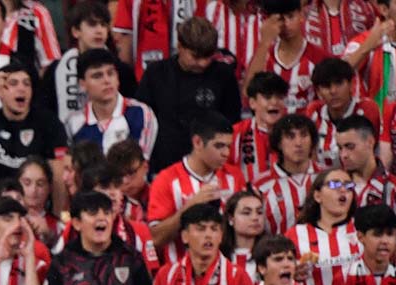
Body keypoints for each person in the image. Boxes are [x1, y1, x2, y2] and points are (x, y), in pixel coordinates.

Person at [134, 17, 242, 173]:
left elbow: (232, 121)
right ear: (180, 47)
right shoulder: (156, 73)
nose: (203, 63)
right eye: (196, 57)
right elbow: (144, 119)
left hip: (209, 164)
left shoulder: (223, 75)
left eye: (207, 57)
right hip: (164, 162)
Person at [147, 112, 244, 255]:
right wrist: (189, 208)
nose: (226, 153)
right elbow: (155, 239)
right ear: (197, 142)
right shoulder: (166, 180)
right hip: (180, 272)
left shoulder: (234, 177)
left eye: (228, 146)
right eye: (219, 146)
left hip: (225, 270)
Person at [37, 0, 137, 125]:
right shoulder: (56, 70)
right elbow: (46, 112)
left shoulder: (121, 70)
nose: (99, 30)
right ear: (75, 31)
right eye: (92, 24)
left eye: (103, 25)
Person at [288, 168, 361, 285]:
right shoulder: (295, 234)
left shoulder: (363, 229)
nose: (342, 190)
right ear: (317, 196)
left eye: (348, 186)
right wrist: (291, 272)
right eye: (334, 185)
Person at [64, 49, 157, 159]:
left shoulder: (141, 113)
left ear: (117, 78)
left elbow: (139, 166)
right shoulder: (74, 122)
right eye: (97, 76)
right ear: (82, 84)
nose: (106, 80)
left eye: (110, 73)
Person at [243, 0, 331, 113]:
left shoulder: (320, 58)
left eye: (290, 17)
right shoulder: (264, 56)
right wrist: (265, 42)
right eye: (280, 20)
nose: (286, 24)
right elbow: (248, 93)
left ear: (301, 15)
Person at [305, 58, 379, 169]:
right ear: (318, 91)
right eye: (326, 86)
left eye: (338, 83)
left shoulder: (366, 109)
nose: (333, 91)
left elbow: (368, 156)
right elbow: (310, 156)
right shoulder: (314, 111)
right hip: (323, 179)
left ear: (351, 85)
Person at [257, 113, 321, 236]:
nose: (298, 143)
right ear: (279, 143)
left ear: (312, 141)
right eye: (290, 136)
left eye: (304, 135)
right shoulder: (261, 185)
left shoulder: (327, 177)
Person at [230, 72, 289, 185]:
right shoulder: (236, 133)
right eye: (267, 97)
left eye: (280, 97)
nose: (274, 102)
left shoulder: (295, 132)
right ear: (252, 103)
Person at [337, 115, 396, 209]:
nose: (343, 155)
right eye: (340, 148)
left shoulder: (394, 188)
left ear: (370, 142)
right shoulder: (331, 188)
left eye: (350, 146)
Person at [221, 189, 267, 280]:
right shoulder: (218, 255)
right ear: (231, 219)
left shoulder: (272, 253)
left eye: (259, 212)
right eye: (246, 213)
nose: (255, 218)